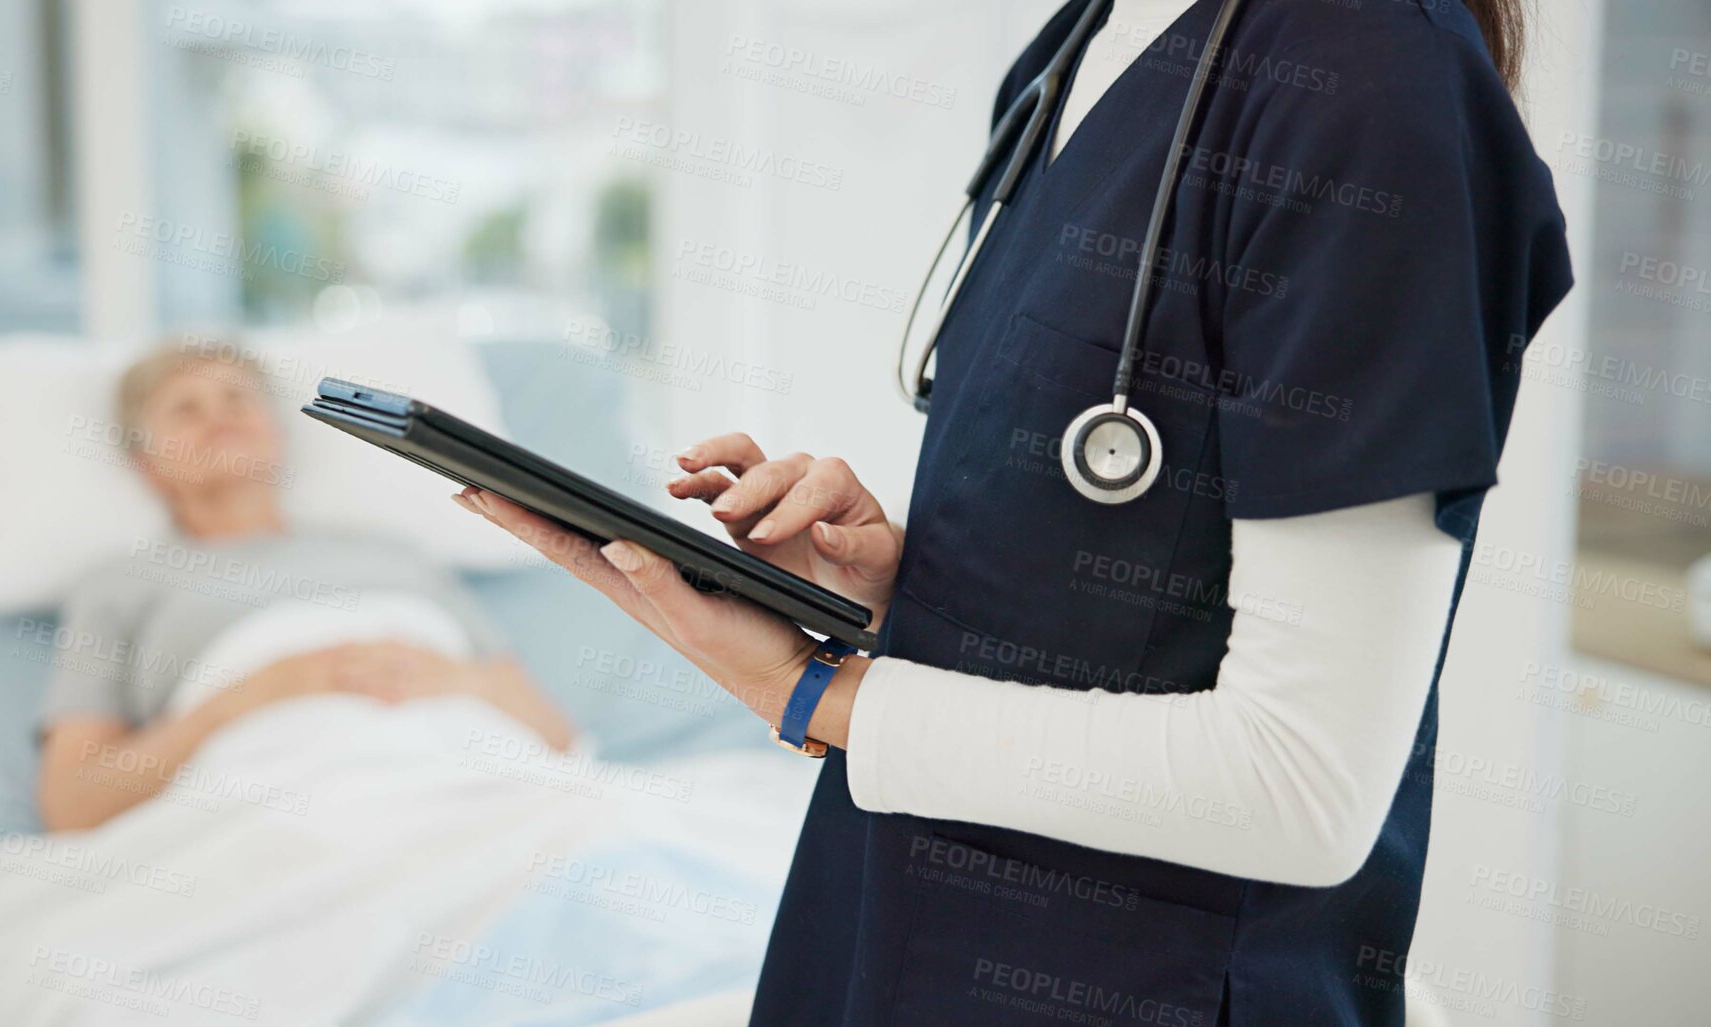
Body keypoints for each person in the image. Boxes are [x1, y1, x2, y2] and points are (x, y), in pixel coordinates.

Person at [460, 0, 1574, 1023]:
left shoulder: (1369, 79)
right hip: (894, 924)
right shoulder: (1092, 38)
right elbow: (1151, 583)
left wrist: (808, 688)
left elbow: (1301, 782)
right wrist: (907, 588)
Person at [38, 343, 574, 832]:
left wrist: (455, 680)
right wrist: (248, 697)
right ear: (147, 464)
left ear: (278, 431)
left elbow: (556, 736)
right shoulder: (118, 588)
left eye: (236, 398)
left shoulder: (396, 555)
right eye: (185, 409)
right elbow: (73, 806)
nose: (220, 417)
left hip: (466, 769)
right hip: (281, 795)